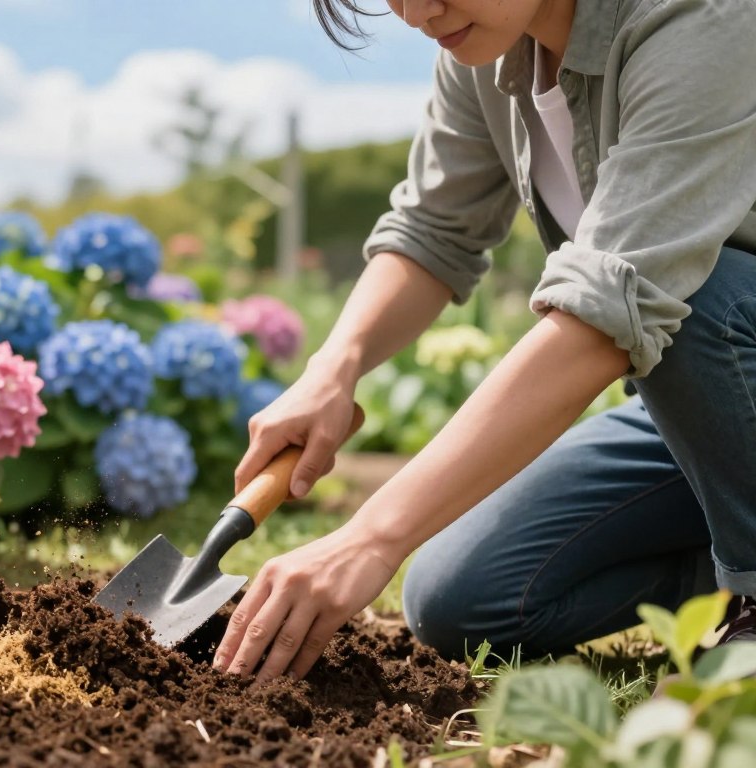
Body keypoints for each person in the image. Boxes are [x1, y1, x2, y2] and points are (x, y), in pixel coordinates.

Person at [214, 0, 756, 683]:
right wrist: (334, 367)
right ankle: (727, 567)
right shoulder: (492, 46)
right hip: (717, 412)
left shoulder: (703, 15)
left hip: (733, 339)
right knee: (462, 596)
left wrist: (370, 535)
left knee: (693, 285)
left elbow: (610, 302)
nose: (416, 11)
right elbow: (433, 229)